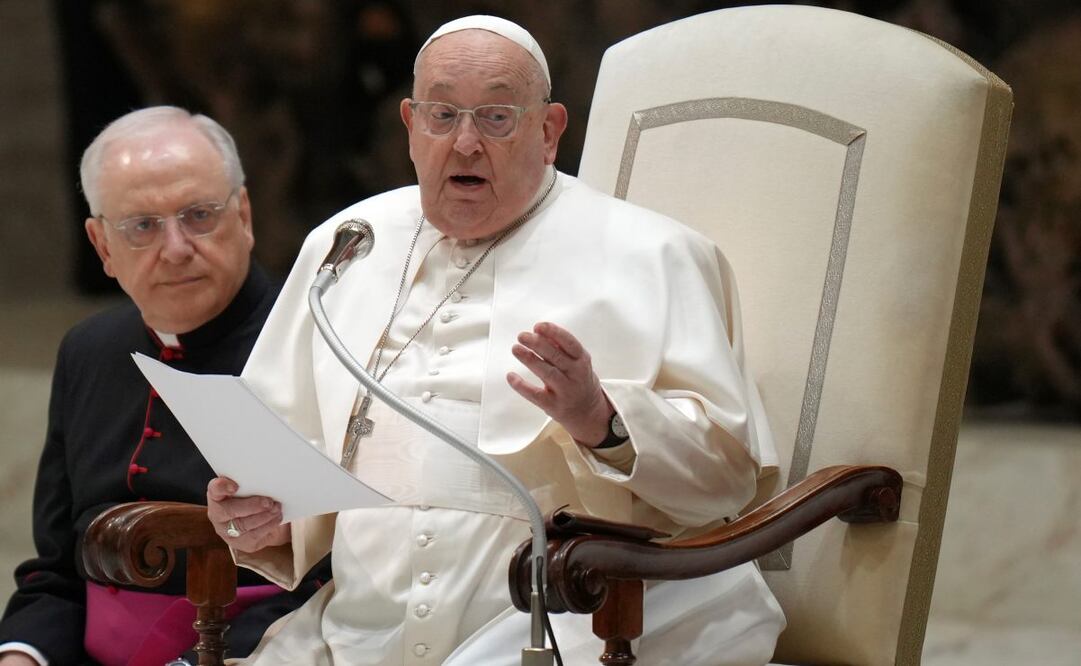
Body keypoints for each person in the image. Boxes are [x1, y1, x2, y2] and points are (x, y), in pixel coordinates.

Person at [208, 15, 786, 665]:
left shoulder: (654, 254)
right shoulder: (348, 244)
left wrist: (600, 421)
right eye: (441, 115)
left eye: (495, 118)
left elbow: (726, 483)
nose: (464, 143)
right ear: (408, 125)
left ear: (548, 131)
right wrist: (265, 516)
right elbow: (283, 461)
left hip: (560, 626)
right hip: (357, 633)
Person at [0, 107, 329, 666]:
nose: (176, 248)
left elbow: (338, 576)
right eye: (143, 226)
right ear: (102, 246)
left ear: (244, 215)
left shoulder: (317, 346)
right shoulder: (88, 350)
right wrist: (24, 655)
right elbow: (56, 571)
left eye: (199, 215)